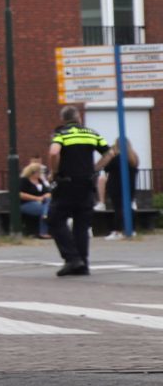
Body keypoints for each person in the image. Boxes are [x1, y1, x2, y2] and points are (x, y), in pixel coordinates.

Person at [47, 106, 115, 277]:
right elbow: (110, 153)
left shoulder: (62, 134)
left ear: (63, 119)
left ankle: (72, 258)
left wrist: (53, 172)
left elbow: (54, 152)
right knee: (81, 225)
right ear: (78, 117)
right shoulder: (91, 133)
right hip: (86, 184)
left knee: (55, 220)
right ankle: (83, 264)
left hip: (66, 184)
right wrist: (95, 169)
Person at [97, 140, 141, 240]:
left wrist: (109, 156)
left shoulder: (117, 158)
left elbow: (106, 168)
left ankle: (118, 231)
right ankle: (131, 230)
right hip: (130, 186)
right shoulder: (133, 158)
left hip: (116, 186)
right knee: (129, 207)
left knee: (118, 209)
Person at [17, 161, 53, 238]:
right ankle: (43, 232)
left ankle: (45, 216)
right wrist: (37, 198)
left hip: (42, 203)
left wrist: (46, 195)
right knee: (46, 209)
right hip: (27, 204)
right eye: (39, 172)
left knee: (48, 204)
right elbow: (21, 194)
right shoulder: (24, 180)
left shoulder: (40, 181)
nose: (40, 174)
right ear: (33, 172)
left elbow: (48, 192)